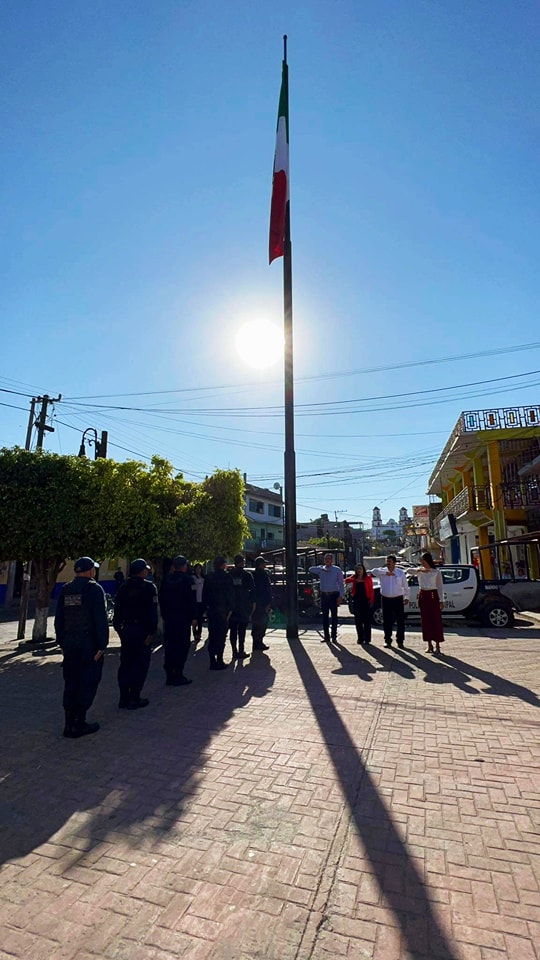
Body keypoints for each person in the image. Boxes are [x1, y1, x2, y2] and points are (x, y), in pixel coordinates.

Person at [54, 557, 109, 738]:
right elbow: (101, 619)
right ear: (90, 571)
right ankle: (79, 723)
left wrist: (62, 642)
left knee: (71, 682)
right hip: (88, 645)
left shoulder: (66, 589)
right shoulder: (94, 589)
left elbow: (59, 619)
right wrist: (102, 645)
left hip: (70, 643)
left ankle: (68, 724)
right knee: (87, 681)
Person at [113, 558, 158, 708]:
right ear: (141, 571)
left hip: (127, 630)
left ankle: (123, 697)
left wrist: (121, 630)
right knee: (140, 664)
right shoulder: (149, 587)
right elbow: (152, 613)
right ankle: (134, 697)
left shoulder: (123, 587)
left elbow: (117, 612)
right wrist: (152, 632)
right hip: (142, 631)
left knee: (126, 664)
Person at [159, 556, 197, 686]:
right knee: (182, 646)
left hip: (169, 619)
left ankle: (170, 675)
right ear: (184, 566)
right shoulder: (188, 580)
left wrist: (164, 615)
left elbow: (161, 599)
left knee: (170, 647)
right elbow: (192, 600)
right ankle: (178, 674)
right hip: (183, 619)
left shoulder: (166, 579)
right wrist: (194, 617)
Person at [202, 556, 235, 670]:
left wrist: (204, 610)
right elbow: (230, 595)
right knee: (221, 637)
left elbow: (204, 595)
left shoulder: (209, 577)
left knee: (212, 636)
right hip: (222, 611)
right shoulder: (227, 577)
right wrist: (230, 610)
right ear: (222, 565)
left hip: (212, 610)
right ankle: (219, 660)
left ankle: (212, 661)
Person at [370, 555, 410, 648]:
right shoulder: (382, 571)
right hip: (386, 599)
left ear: (394, 563)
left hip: (398, 598)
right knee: (387, 621)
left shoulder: (400, 573)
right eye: (387, 562)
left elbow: (405, 586)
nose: (388, 564)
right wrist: (385, 573)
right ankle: (387, 640)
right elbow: (373, 571)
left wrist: (406, 597)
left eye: (390, 562)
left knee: (400, 621)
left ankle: (400, 641)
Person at [411, 552, 444, 655]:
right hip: (423, 595)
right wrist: (420, 570)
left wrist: (441, 600)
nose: (422, 563)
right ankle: (429, 645)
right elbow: (408, 571)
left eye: (424, 561)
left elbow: (440, 586)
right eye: (421, 561)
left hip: (433, 595)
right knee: (425, 620)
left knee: (436, 620)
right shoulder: (420, 571)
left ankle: (438, 645)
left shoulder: (436, 572)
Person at [308, 553, 345, 643]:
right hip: (324, 595)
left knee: (334, 616)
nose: (327, 560)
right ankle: (326, 637)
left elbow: (341, 583)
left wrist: (341, 595)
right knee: (325, 616)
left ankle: (334, 636)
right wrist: (322, 568)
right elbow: (310, 569)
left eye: (329, 559)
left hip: (333, 594)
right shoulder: (321, 569)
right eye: (326, 559)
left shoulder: (337, 570)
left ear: (332, 560)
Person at [229, 554, 256, 660]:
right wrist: (253, 604)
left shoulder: (229, 575)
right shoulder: (247, 575)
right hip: (244, 606)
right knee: (242, 630)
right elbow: (253, 590)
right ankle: (241, 650)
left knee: (233, 630)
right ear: (242, 563)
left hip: (232, 606)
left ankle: (234, 651)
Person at [345, 563, 374, 645]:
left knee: (367, 621)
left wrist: (371, 600)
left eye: (360, 569)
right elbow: (346, 580)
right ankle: (360, 638)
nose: (359, 571)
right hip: (357, 601)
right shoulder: (354, 577)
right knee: (358, 621)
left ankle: (367, 639)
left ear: (363, 570)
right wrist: (355, 580)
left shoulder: (368, 578)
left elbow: (371, 590)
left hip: (366, 601)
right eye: (357, 569)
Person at [251, 556, 273, 652]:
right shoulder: (264, 575)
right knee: (263, 622)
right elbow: (267, 590)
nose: (265, 564)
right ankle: (259, 642)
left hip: (255, 602)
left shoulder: (252, 574)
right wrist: (269, 602)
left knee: (255, 623)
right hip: (263, 602)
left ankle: (256, 642)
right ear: (260, 564)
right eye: (264, 563)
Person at [192, 563, 205, 641]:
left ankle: (199, 633)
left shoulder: (203, 578)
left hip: (201, 600)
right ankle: (194, 633)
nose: (198, 570)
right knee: (194, 619)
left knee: (200, 619)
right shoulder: (193, 578)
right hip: (195, 601)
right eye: (197, 568)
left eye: (199, 568)